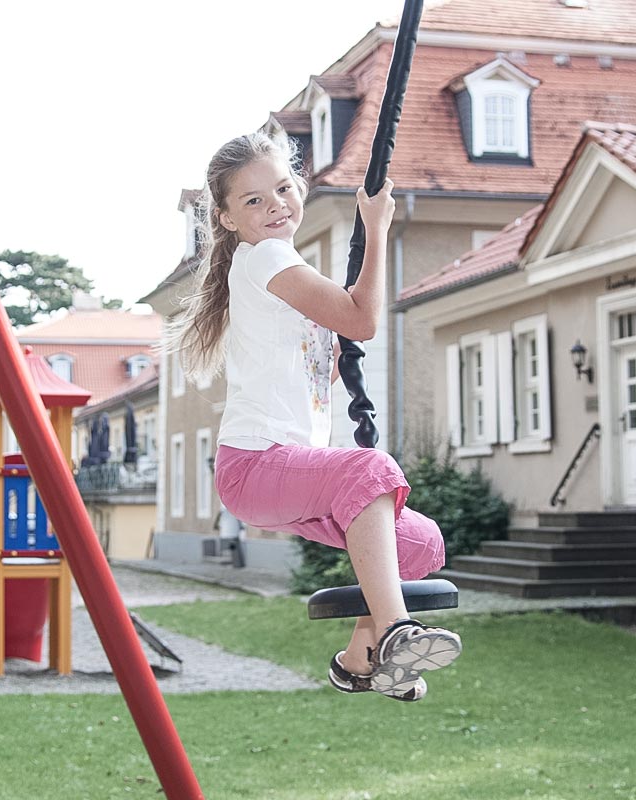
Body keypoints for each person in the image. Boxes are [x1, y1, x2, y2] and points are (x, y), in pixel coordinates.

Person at [166, 132, 461, 701]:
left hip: (283, 473)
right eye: (253, 200)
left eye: (282, 188)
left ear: (298, 186)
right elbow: (362, 321)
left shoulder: (271, 269)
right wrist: (376, 228)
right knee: (370, 470)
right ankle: (399, 630)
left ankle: (360, 661)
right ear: (225, 219)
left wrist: (336, 327)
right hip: (255, 463)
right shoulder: (267, 257)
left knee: (420, 541)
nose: (275, 204)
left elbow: (318, 365)